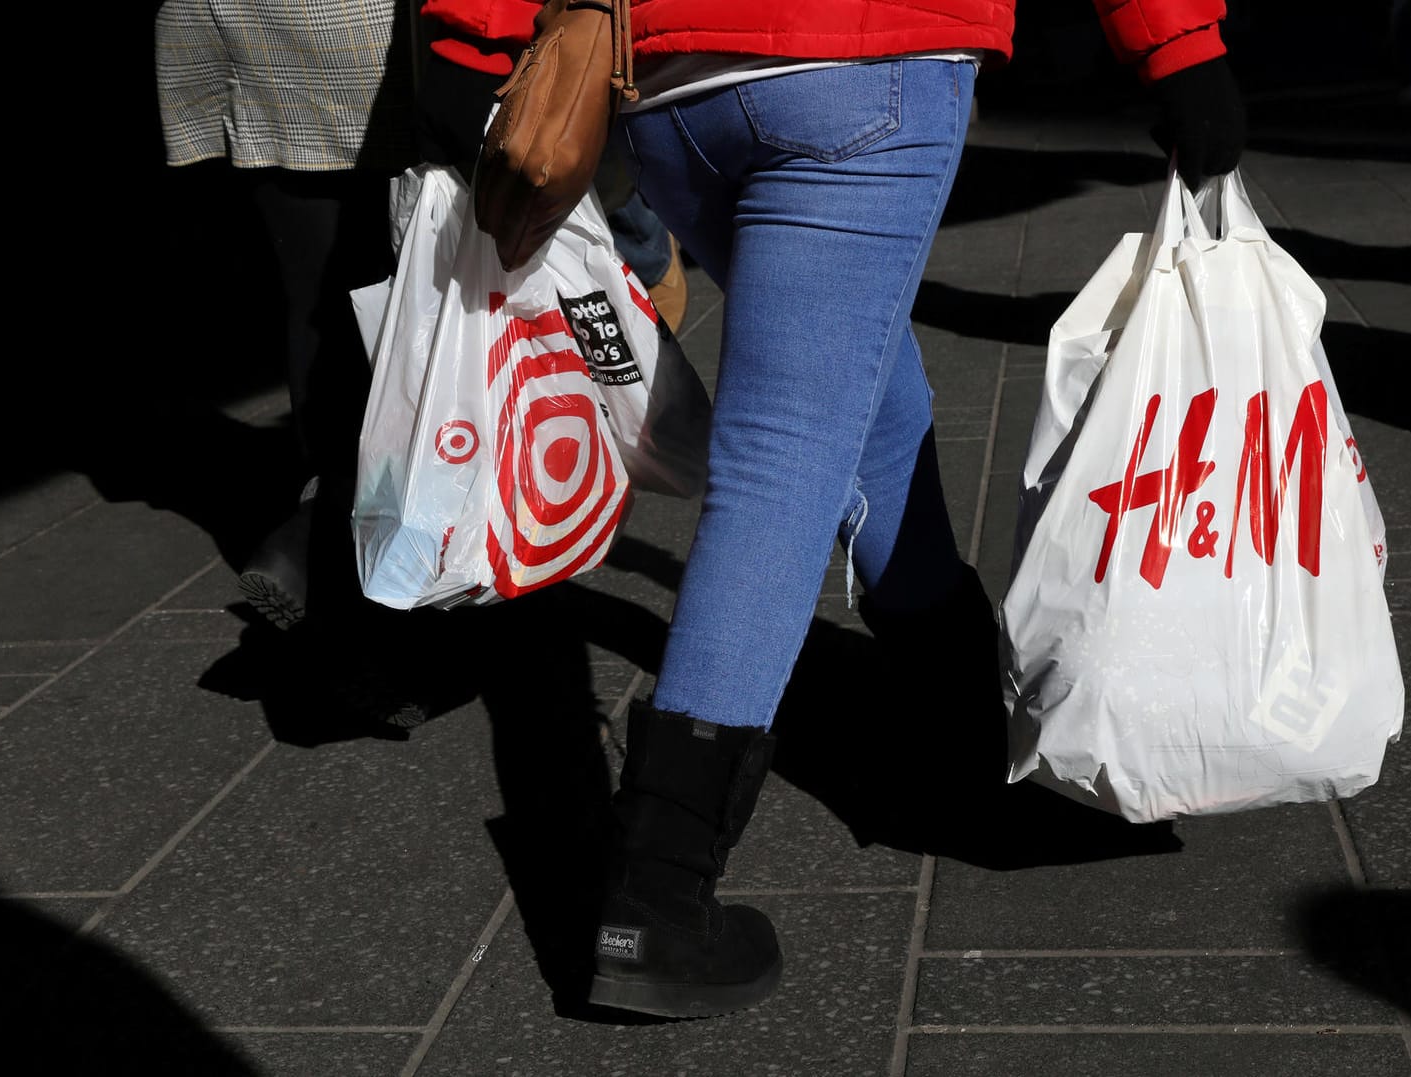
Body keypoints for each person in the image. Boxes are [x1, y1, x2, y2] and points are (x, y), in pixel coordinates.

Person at [461, 0, 1245, 1018]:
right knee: (788, 445)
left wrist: (469, 32)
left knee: (856, 379)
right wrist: (1178, 42)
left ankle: (958, 716)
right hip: (858, 58)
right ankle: (653, 894)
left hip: (667, 85)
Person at [154, 0, 688, 648]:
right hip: (365, 38)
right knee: (411, 296)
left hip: (240, 24)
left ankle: (331, 527)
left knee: (318, 296)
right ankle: (368, 561)